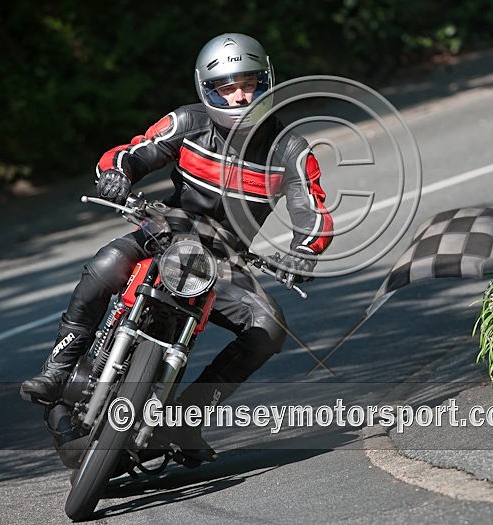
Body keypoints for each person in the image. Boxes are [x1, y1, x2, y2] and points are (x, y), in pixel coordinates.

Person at [19, 33, 334, 461]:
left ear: (267, 82)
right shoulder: (187, 123)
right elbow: (129, 153)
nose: (239, 96)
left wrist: (305, 248)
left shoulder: (291, 149)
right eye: (226, 86)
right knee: (106, 261)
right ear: (207, 89)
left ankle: (186, 421)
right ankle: (57, 370)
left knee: (269, 328)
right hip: (163, 232)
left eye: (249, 83)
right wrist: (118, 175)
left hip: (223, 260)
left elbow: (312, 208)